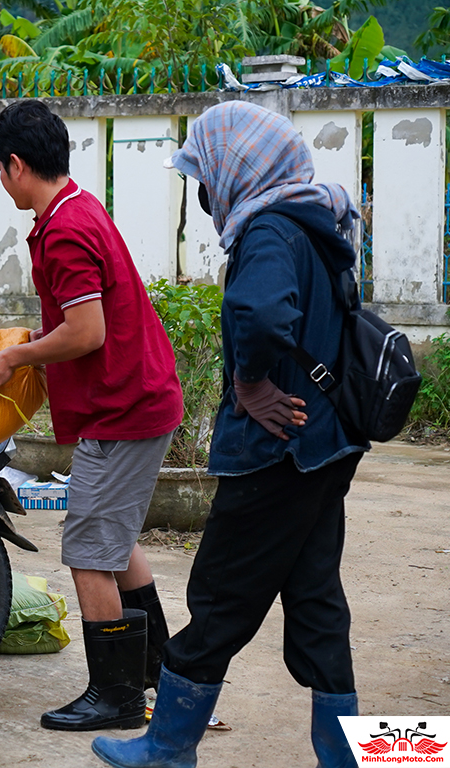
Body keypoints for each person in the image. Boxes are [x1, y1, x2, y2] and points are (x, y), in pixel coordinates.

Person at [92, 101, 368, 768]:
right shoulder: (316, 219)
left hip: (276, 453)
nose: (203, 191)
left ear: (235, 171)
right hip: (323, 445)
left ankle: (167, 746)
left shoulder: (269, 229)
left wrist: (249, 382)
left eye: (204, 175)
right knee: (316, 602)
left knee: (219, 597)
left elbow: (262, 315)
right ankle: (348, 755)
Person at [0, 100, 183, 732]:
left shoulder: (64, 228)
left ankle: (115, 697)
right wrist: (36, 341)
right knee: (116, 543)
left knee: (89, 550)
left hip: (124, 408)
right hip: (138, 398)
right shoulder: (77, 207)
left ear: (16, 164)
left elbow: (86, 332)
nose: (1, 180)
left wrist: (16, 357)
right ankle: (159, 671)